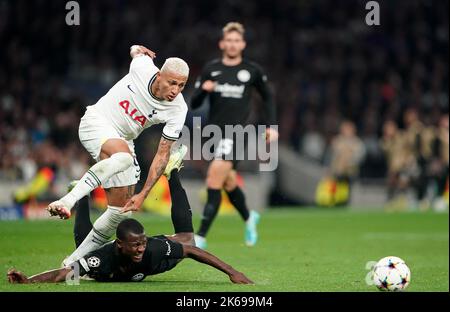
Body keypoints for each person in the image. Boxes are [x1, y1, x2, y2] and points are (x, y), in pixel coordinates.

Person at [7, 154, 253, 284]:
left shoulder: (152, 249)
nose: (141, 248)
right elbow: (63, 274)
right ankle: (81, 194)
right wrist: (28, 280)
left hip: (153, 268)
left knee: (189, 239)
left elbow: (191, 251)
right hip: (104, 268)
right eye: (135, 245)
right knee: (84, 251)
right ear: (120, 244)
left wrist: (233, 272)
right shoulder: (103, 258)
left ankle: (172, 171)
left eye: (142, 242)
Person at [46, 45, 189, 266]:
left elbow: (162, 155)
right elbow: (135, 51)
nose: (176, 90)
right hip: (97, 121)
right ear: (159, 75)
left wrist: (144, 193)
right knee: (122, 159)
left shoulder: (178, 109)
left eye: (181, 85)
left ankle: (71, 263)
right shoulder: (142, 68)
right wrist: (137, 48)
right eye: (172, 82)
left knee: (120, 213)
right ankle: (68, 200)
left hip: (124, 141)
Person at [190, 22, 278, 249]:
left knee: (212, 179)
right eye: (228, 40)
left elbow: (268, 97)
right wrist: (203, 89)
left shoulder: (252, 71)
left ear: (243, 44)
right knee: (227, 182)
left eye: (236, 40)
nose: (232, 44)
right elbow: (195, 102)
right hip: (213, 135)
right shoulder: (211, 69)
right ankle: (249, 218)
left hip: (238, 132)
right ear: (222, 43)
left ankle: (200, 236)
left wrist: (271, 126)